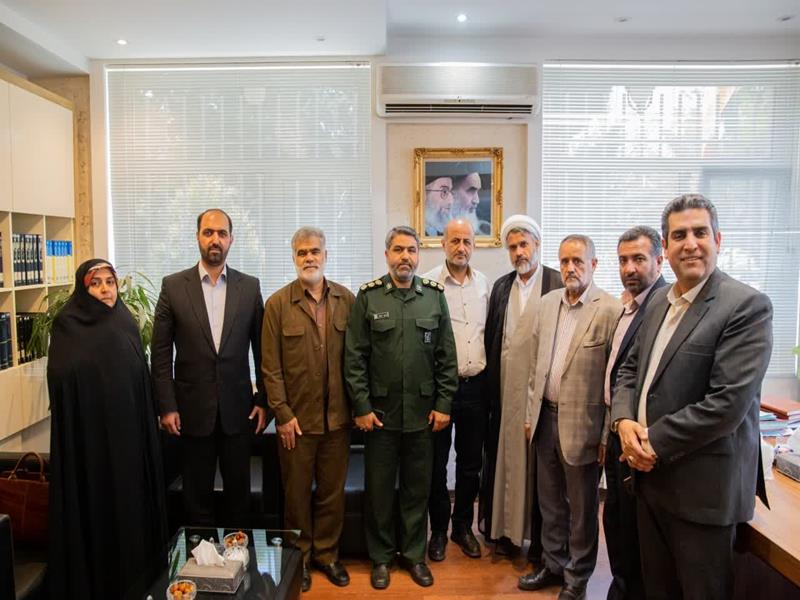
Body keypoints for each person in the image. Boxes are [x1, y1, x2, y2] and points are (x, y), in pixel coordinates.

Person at [611, 194, 772, 600]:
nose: (690, 244)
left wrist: (648, 442)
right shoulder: (659, 302)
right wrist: (623, 422)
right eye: (679, 235)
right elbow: (629, 370)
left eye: (700, 232)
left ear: (718, 239)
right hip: (651, 486)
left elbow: (726, 405)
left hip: (703, 497)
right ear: (665, 247)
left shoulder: (746, 306)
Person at [344, 225, 458, 589]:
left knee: (416, 490)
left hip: (423, 416)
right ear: (387, 255)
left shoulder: (433, 297)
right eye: (398, 250)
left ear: (419, 255)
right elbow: (354, 358)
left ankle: (413, 556)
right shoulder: (369, 297)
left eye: (411, 250)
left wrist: (443, 404)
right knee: (379, 492)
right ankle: (381, 558)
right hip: (379, 416)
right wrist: (361, 406)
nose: (405, 256)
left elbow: (447, 357)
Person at [47, 259, 167, 599]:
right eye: (96, 283)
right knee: (101, 515)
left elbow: (138, 377)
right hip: (92, 445)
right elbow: (61, 381)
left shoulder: (124, 320)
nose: (105, 289)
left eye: (110, 282)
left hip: (130, 440)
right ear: (83, 289)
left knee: (131, 513)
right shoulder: (67, 325)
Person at [519, 235, 621, 600]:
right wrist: (530, 415)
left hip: (584, 427)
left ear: (593, 264)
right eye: (564, 261)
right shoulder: (548, 304)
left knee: (581, 508)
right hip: (545, 420)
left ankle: (577, 577)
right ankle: (553, 564)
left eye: (578, 261)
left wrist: (606, 436)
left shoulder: (610, 310)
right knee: (549, 502)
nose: (570, 268)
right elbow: (536, 366)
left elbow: (614, 380)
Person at [152, 208, 267, 527]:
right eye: (208, 232)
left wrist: (263, 400)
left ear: (231, 240)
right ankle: (200, 553)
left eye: (222, 233)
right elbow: (160, 354)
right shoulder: (173, 286)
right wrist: (167, 406)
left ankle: (237, 553)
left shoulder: (249, 287)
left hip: (239, 412)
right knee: (196, 497)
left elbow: (263, 351)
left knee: (239, 498)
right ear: (197, 237)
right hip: (191, 412)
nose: (215, 239)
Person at [261, 226, 355, 592]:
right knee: (296, 498)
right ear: (294, 258)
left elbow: (358, 360)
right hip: (296, 423)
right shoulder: (277, 305)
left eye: (315, 251)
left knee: (332, 494)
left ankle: (327, 555)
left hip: (338, 420)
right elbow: (270, 367)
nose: (309, 258)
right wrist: (282, 415)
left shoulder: (347, 300)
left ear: (326, 256)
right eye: (302, 253)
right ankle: (297, 560)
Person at [480, 214, 563, 559]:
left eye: (523, 245)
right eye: (512, 247)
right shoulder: (502, 286)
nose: (518, 252)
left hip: (544, 396)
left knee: (543, 473)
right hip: (505, 394)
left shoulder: (557, 282)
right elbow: (492, 338)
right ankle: (505, 532)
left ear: (537, 244)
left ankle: (542, 544)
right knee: (506, 461)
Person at [604, 226, 667, 600]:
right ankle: (621, 587)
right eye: (623, 260)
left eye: (639, 259)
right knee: (616, 518)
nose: (629, 268)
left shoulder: (663, 306)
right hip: (617, 430)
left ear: (659, 260)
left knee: (636, 529)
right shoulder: (626, 306)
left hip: (643, 441)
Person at [422, 219, 489, 561]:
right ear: (443, 244)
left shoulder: (485, 285)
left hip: (477, 387)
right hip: (440, 390)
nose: (461, 247)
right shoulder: (427, 284)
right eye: (455, 241)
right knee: (436, 465)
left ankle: (462, 528)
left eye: (467, 241)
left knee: (470, 464)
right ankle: (438, 531)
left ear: (474, 245)